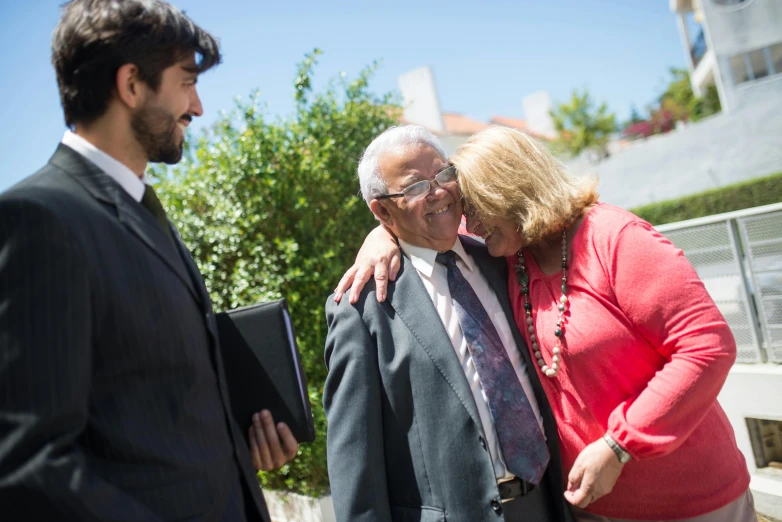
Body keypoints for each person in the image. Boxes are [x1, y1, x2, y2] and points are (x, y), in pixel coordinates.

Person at [334, 125, 757, 522]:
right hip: (586, 505)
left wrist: (619, 445)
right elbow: (425, 226)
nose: (467, 220)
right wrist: (382, 234)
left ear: (512, 194)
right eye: (419, 187)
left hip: (687, 499)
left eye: (469, 200)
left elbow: (707, 345)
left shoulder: (599, 240)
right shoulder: (506, 259)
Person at [0, 1, 297, 520]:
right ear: (131, 84)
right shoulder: (40, 218)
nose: (198, 107)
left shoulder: (145, 212)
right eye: (186, 82)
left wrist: (235, 446)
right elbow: (30, 463)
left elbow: (145, 416)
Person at [324, 125, 574, 522]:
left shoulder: (502, 257)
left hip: (547, 500)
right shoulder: (362, 305)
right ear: (382, 210)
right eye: (415, 186)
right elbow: (354, 454)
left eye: (443, 174)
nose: (438, 191)